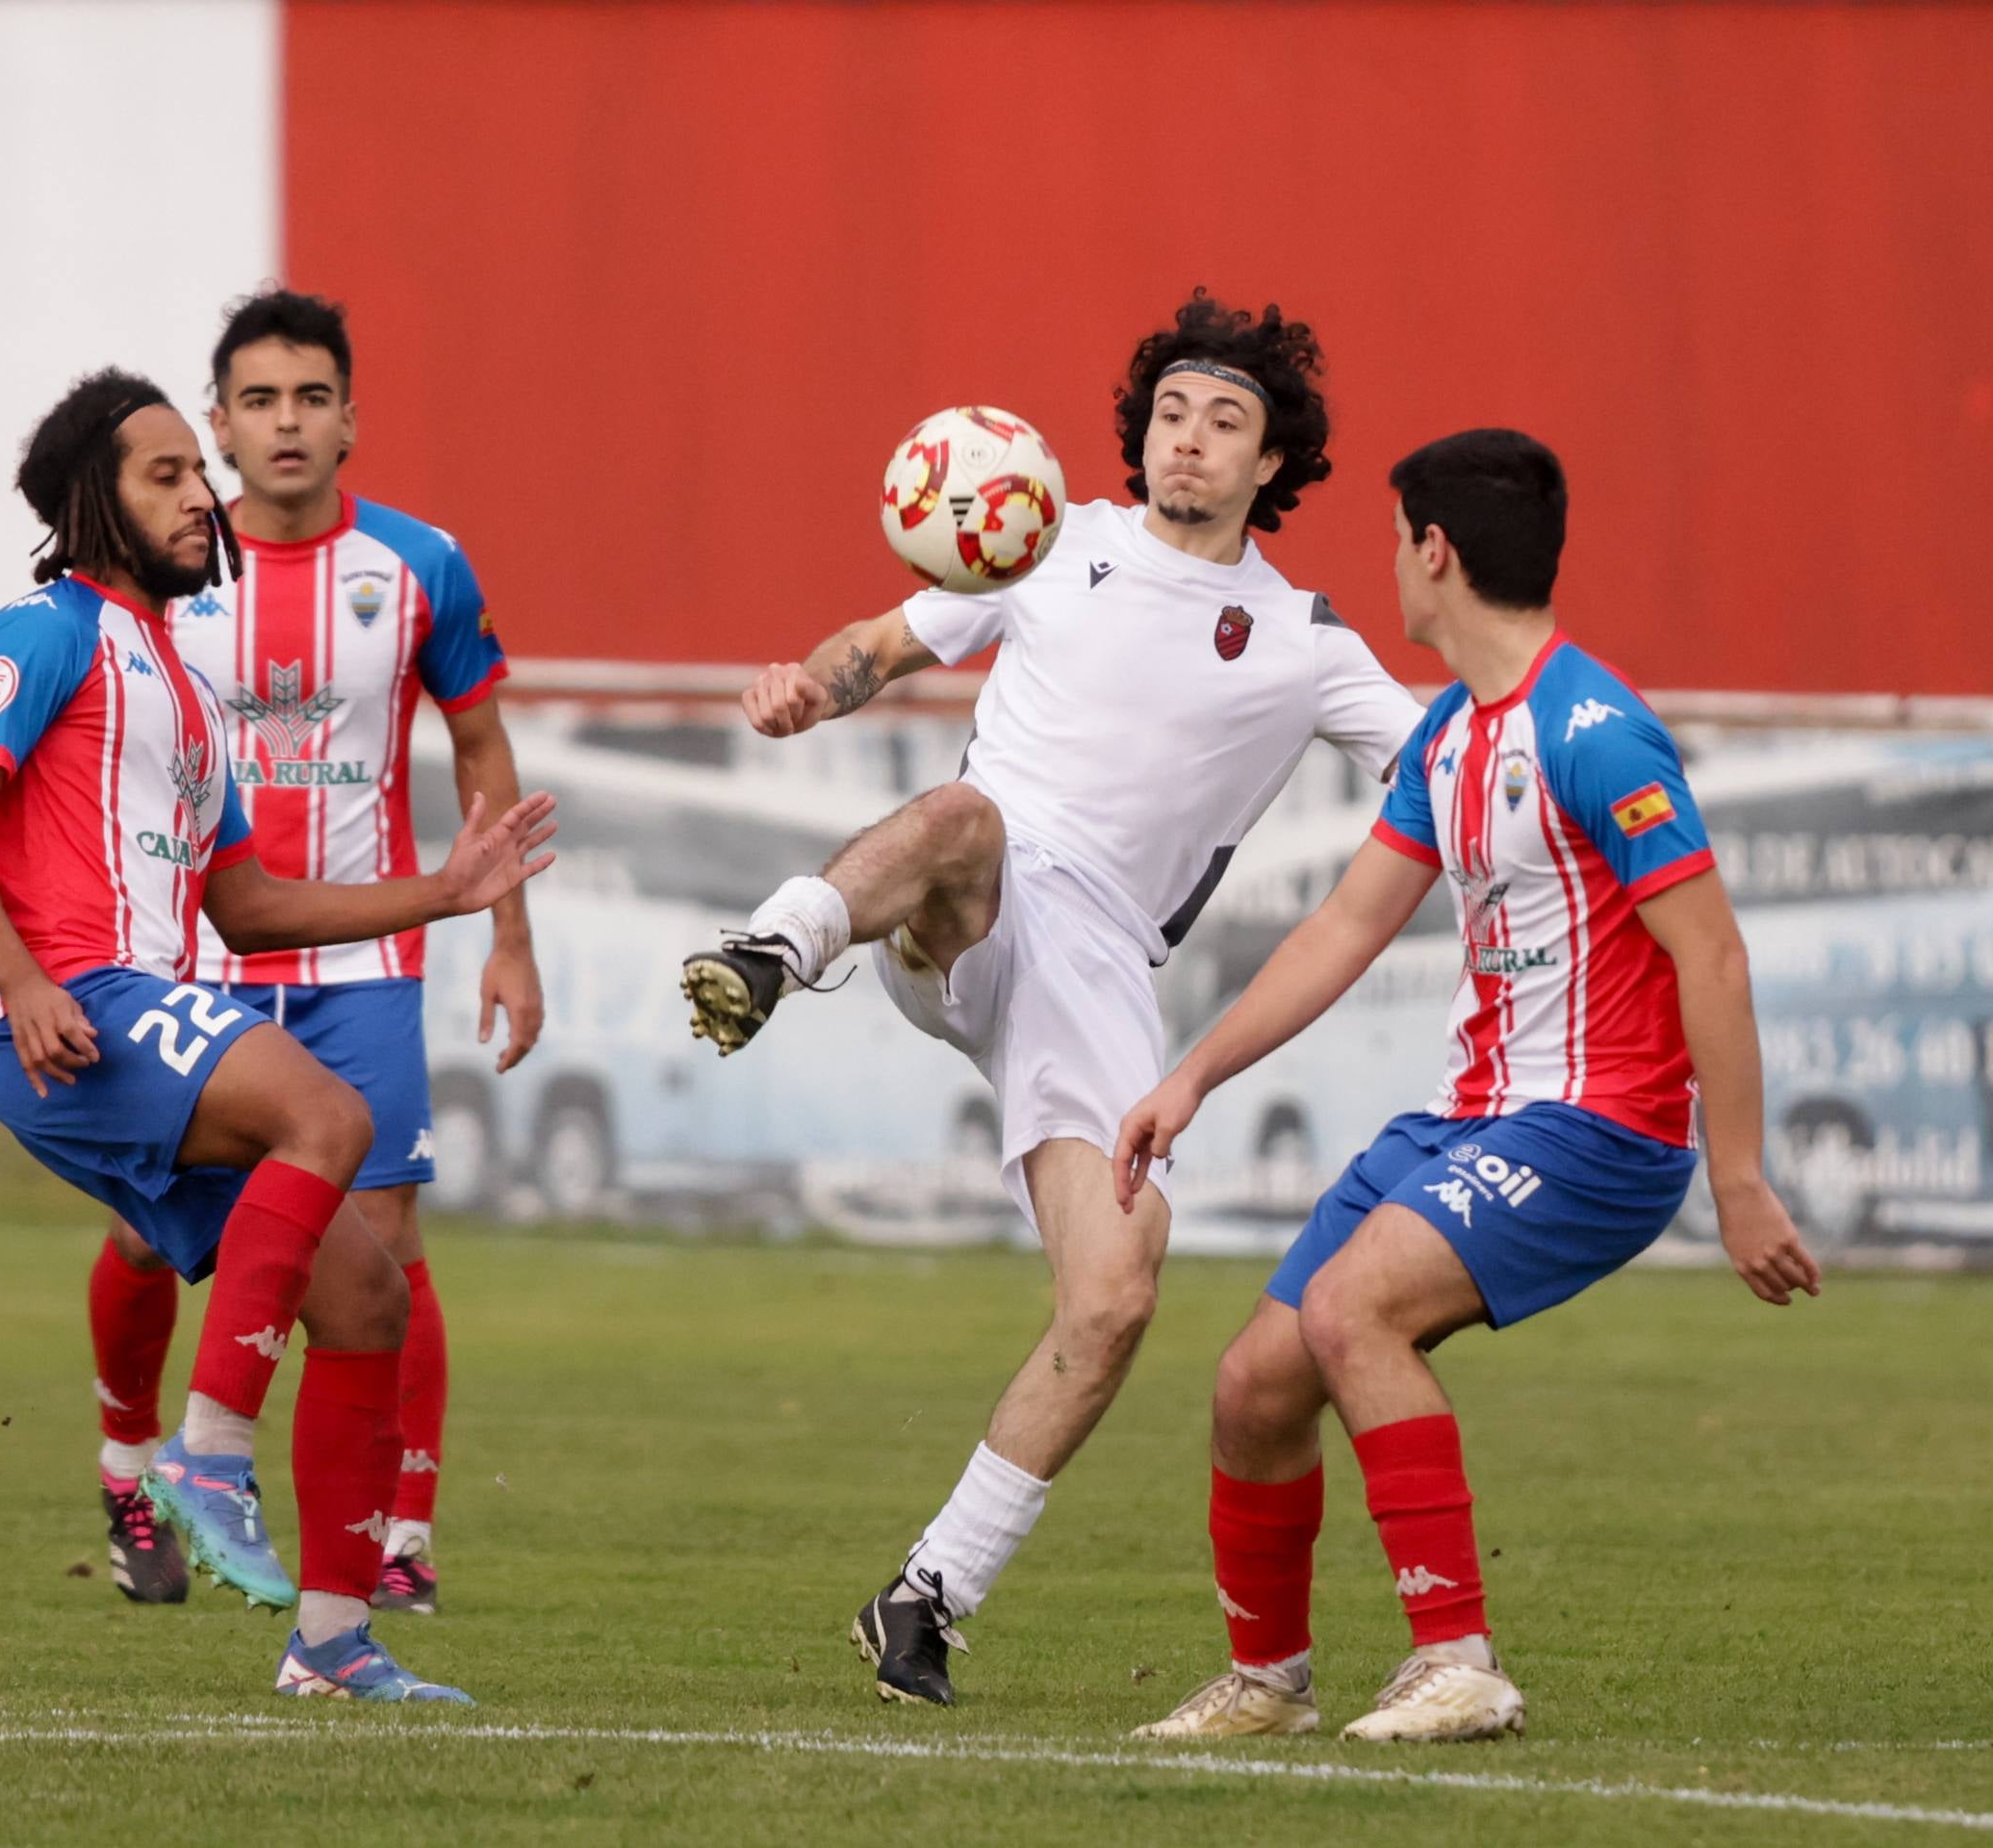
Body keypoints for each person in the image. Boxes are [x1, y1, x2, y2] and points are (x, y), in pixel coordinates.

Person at [677, 294, 1425, 1706]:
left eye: (1224, 422)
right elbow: (880, 646)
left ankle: (926, 1595)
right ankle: (772, 950)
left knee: (1117, 1293)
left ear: (1274, 464)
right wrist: (804, 691)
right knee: (967, 814)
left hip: (1091, 974)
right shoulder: (1047, 537)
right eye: (1170, 414)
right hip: (971, 886)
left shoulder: (1304, 639)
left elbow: (1442, 767)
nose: (1187, 442)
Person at [1116, 427, 1821, 1744]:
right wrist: (1191, 1076)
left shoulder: (1594, 734)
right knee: (1252, 1385)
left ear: (1433, 553)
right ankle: (1266, 1684)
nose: (1390, 563)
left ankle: (1457, 1659)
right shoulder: (1448, 734)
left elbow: (1710, 951)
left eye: (1395, 539)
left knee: (1348, 1312)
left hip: (1598, 1131)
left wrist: (1736, 1180)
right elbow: (1341, 927)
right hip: (1471, 1119)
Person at [0, 368, 553, 1703]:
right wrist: (23, 982)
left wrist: (446, 888)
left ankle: (329, 1647)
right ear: (94, 504)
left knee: (367, 1295)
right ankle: (205, 1447)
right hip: (76, 1006)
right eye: (166, 476)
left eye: (199, 472)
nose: (203, 496)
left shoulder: (187, 695)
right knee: (331, 1116)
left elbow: (251, 909)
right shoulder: (45, 630)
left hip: (132, 1003)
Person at [85, 290, 539, 1618]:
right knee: (153, 1232)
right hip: (192, 958)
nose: (288, 423)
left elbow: (480, 743)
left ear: (351, 416)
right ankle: (130, 1469)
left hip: (362, 965)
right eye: (260, 400)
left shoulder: (417, 567)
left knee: (387, 1239)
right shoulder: (166, 565)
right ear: (217, 424)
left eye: (313, 397)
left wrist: (507, 936)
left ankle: (397, 1531)